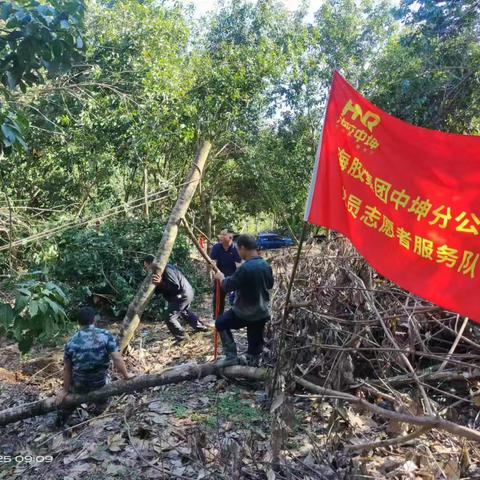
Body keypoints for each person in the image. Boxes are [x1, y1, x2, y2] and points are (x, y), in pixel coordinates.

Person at [55, 307, 133, 425]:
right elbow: (117, 358)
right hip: (100, 382)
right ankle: (100, 407)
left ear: (78, 322)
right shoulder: (106, 335)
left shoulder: (71, 342)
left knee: (71, 394)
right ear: (94, 320)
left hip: (80, 385)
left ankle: (62, 418)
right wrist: (126, 375)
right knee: (107, 378)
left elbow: (67, 368)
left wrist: (65, 390)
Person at [213, 234, 274, 366]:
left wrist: (221, 277)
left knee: (220, 322)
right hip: (262, 311)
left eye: (238, 249)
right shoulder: (265, 265)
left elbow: (228, 286)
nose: (238, 253)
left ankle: (231, 356)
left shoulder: (245, 268)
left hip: (245, 313)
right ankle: (254, 365)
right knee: (254, 346)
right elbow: (270, 285)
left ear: (242, 248)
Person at [144, 255, 207, 342]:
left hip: (182, 295)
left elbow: (175, 286)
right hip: (185, 293)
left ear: (150, 264)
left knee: (170, 317)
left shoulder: (167, 269)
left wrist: (161, 283)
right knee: (184, 311)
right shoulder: (162, 271)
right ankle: (200, 327)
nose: (147, 269)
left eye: (147, 266)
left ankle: (182, 338)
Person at [210, 229, 242, 319]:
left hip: (233, 277)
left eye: (224, 235)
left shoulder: (236, 248)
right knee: (218, 298)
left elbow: (238, 266)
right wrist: (216, 273)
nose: (221, 236)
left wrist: (236, 279)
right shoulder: (216, 247)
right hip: (220, 276)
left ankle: (237, 316)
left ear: (230, 237)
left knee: (235, 298)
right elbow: (213, 263)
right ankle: (217, 317)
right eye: (220, 235)